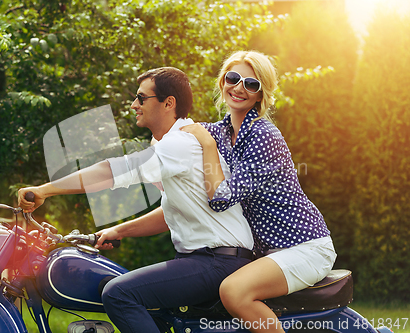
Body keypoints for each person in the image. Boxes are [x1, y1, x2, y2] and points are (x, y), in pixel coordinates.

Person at [18, 67, 255, 333]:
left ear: (168, 103)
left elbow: (112, 172)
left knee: (119, 294)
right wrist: (119, 230)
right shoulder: (166, 143)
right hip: (206, 259)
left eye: (141, 98)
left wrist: (45, 190)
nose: (134, 105)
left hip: (216, 261)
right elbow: (171, 213)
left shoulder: (180, 143)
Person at [180, 51, 337, 333]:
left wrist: (205, 147)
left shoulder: (264, 135)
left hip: (305, 247)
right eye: (233, 78)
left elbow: (221, 198)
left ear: (260, 94)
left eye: (251, 84)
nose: (239, 87)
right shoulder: (220, 132)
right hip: (270, 253)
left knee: (233, 292)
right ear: (222, 82)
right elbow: (172, 137)